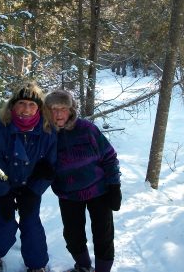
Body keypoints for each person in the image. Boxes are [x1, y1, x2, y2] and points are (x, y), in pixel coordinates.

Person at [0, 81, 57, 272]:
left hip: (30, 186)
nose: (26, 109)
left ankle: (37, 265)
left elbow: (51, 165)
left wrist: (34, 191)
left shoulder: (48, 131)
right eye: (21, 103)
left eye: (32, 105)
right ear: (12, 105)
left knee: (31, 223)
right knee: (5, 223)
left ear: (38, 108)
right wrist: (3, 195)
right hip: (2, 185)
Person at [45, 89, 122, 272]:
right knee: (73, 236)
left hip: (99, 191)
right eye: (53, 109)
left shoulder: (87, 129)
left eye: (63, 108)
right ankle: (83, 266)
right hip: (68, 194)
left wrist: (114, 185)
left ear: (71, 110)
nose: (58, 114)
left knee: (103, 236)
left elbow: (109, 157)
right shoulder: (47, 135)